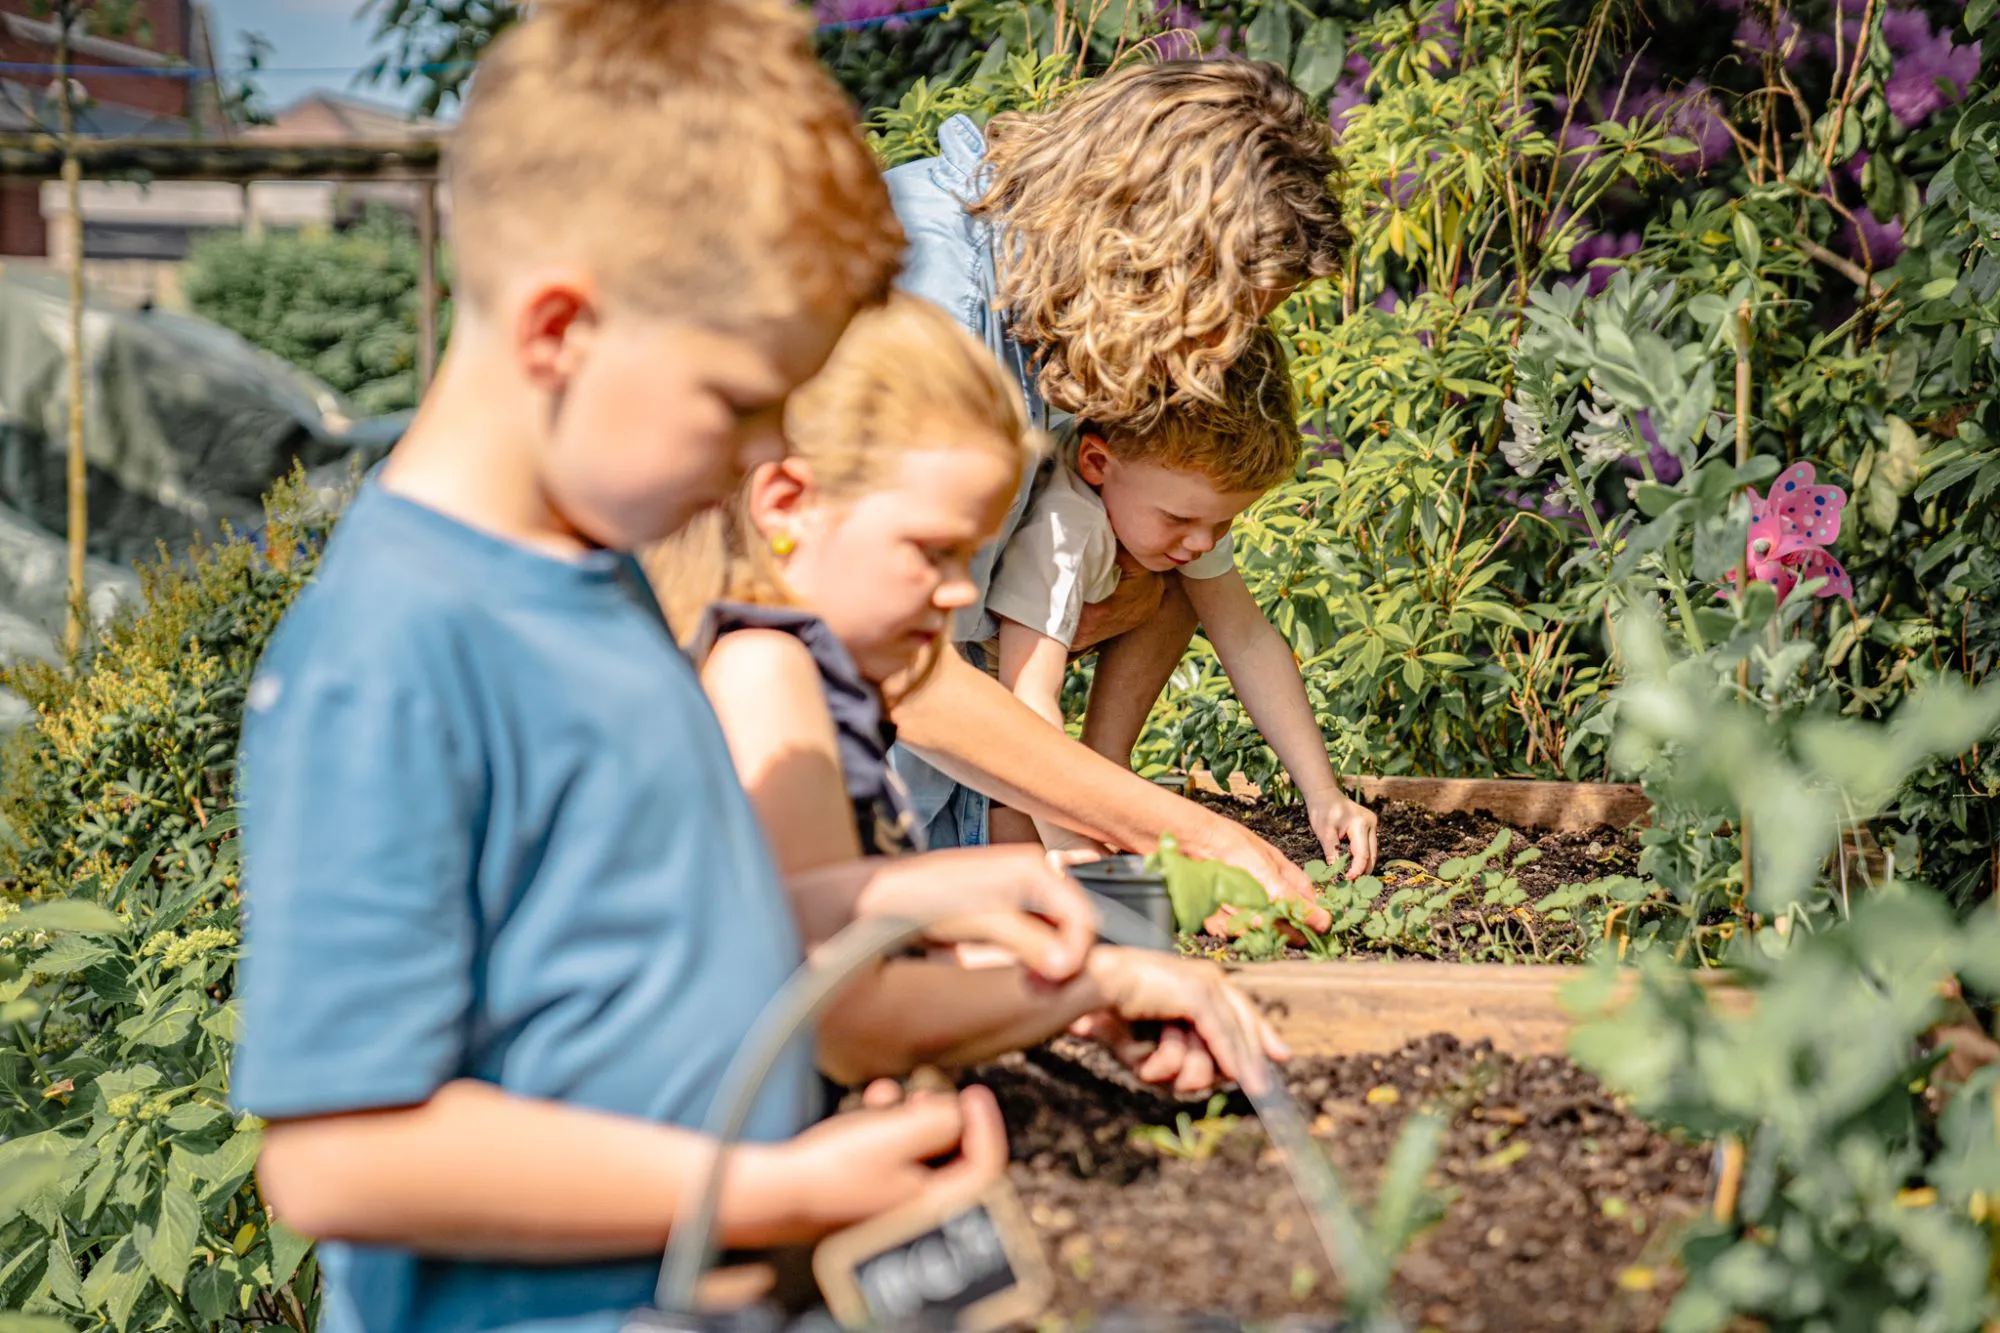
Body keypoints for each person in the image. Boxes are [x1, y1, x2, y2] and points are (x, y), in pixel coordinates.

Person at [228, 4, 1094, 1331]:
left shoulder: (596, 572)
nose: (761, 461)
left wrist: (928, 895)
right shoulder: (394, 650)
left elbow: (653, 929)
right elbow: (338, 1155)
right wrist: (761, 1187)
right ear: (561, 331)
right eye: (738, 401)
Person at [654, 291, 1289, 1096]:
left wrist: (1035, 956)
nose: (962, 595)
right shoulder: (764, 676)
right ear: (787, 505)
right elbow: (846, 1020)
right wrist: (1102, 986)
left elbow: (829, 928)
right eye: (932, 551)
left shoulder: (812, 677)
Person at [880, 59, 1374, 912]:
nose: (1222, 357)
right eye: (1232, 316)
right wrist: (1181, 838)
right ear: (1152, 257)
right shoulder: (938, 320)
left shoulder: (1052, 318)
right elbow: (898, 671)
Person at [987, 325, 1378, 876]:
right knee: (1014, 835)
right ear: (1098, 464)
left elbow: (1244, 636)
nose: (1203, 540)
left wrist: (1323, 793)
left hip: (1030, 683)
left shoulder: (1164, 511)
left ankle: (1106, 764)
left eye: (1224, 521)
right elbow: (1026, 701)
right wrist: (1074, 844)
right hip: (981, 706)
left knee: (1180, 583)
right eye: (1180, 519)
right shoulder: (1064, 528)